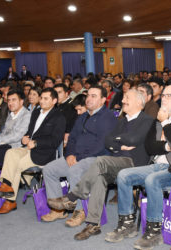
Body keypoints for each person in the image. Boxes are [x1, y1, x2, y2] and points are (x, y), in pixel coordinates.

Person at [48, 89, 154, 241]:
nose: (123, 100)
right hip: (116, 161)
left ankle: (72, 196)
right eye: (123, 97)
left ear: (139, 102)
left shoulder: (147, 120)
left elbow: (133, 139)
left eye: (126, 98)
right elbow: (108, 141)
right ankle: (93, 224)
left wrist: (117, 141)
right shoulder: (122, 120)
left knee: (100, 161)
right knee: (99, 176)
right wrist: (120, 144)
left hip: (133, 163)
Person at [105, 85, 171, 250]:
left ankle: (154, 230)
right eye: (163, 95)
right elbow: (150, 147)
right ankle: (127, 223)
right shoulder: (156, 120)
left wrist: (166, 123)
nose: (164, 98)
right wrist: (167, 147)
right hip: (156, 165)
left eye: (169, 95)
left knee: (152, 180)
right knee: (124, 175)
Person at [41, 86, 117, 226]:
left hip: (97, 158)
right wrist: (69, 154)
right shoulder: (82, 116)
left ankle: (80, 211)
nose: (89, 98)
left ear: (103, 100)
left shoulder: (108, 117)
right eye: (88, 95)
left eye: (94, 96)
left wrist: (78, 158)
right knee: (49, 169)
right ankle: (59, 210)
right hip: (76, 156)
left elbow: (102, 145)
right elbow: (72, 138)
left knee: (74, 170)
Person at [0, 88, 66, 214]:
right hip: (29, 149)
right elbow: (30, 132)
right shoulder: (35, 113)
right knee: (11, 152)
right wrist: (26, 137)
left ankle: (10, 201)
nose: (42, 101)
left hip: (44, 154)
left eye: (46, 98)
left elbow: (55, 141)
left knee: (16, 165)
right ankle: (7, 185)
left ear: (54, 101)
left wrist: (36, 143)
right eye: (41, 98)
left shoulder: (59, 117)